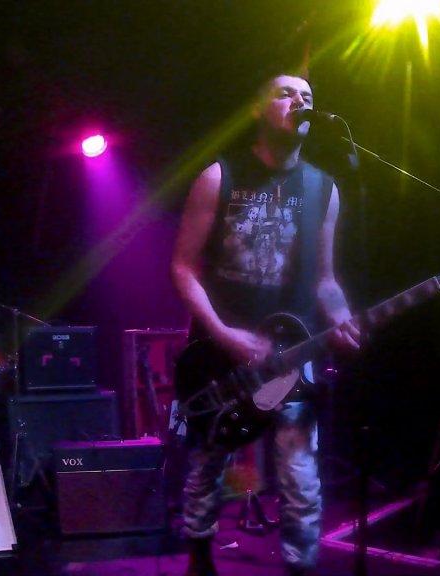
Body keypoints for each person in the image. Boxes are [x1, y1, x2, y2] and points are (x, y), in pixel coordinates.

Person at [170, 73, 361, 576]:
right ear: (258, 110)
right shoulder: (219, 176)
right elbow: (183, 267)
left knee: (300, 476)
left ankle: (300, 566)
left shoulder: (324, 188)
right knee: (207, 463)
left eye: (308, 96)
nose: (299, 101)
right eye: (285, 93)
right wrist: (222, 333)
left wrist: (341, 315)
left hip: (292, 355)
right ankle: (199, 560)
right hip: (218, 354)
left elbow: (325, 280)